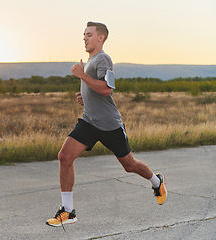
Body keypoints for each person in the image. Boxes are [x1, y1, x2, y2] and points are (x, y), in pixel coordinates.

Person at [46, 22, 167, 227]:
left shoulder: (103, 58)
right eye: (84, 34)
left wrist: (82, 75)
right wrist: (85, 97)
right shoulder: (91, 60)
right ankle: (68, 211)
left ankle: (157, 181)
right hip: (89, 122)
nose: (85, 38)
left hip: (109, 125)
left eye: (89, 34)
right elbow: (96, 90)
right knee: (64, 156)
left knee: (130, 166)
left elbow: (107, 89)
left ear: (100, 38)